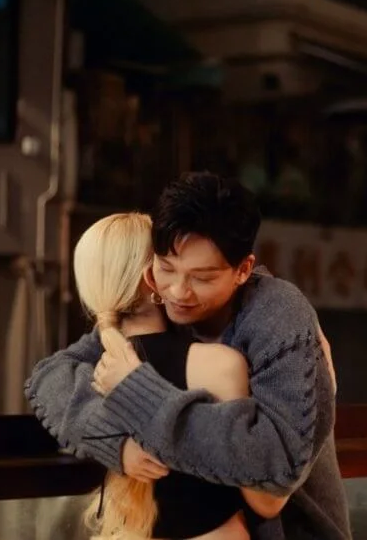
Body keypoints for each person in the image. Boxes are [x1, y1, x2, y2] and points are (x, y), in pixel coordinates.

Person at [26, 172, 351, 540]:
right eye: (166, 268)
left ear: (243, 270)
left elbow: (273, 477)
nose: (179, 291)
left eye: (203, 277)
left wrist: (138, 396)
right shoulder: (162, 305)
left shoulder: (278, 317)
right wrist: (116, 443)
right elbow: (50, 377)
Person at [71, 212, 286, 539]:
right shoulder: (219, 366)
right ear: (152, 278)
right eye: (169, 263)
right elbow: (267, 498)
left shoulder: (84, 379)